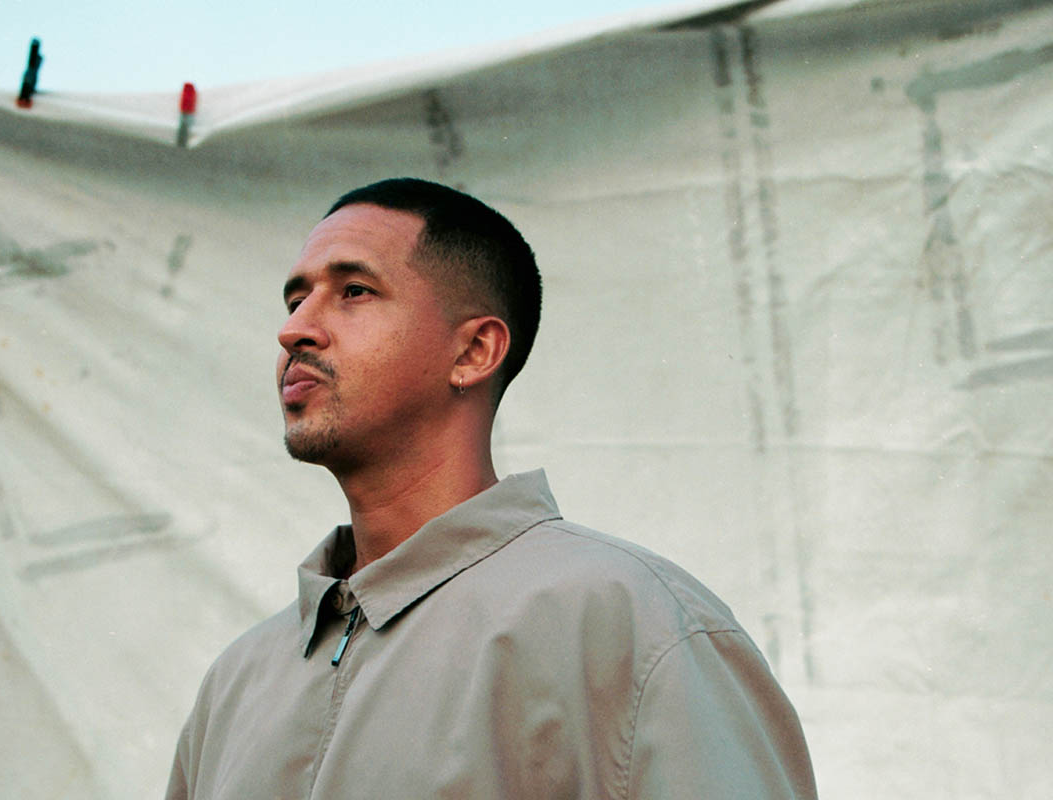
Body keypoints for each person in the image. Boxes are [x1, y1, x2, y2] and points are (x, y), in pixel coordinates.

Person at [165, 178, 817, 799]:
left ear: (474, 351)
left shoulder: (631, 626)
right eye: (294, 299)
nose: (294, 329)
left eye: (355, 291)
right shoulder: (237, 682)